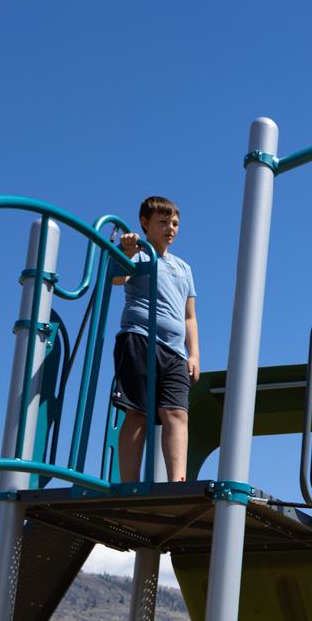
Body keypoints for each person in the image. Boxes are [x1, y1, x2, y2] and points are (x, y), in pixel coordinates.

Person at [110, 195, 199, 483]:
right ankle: (130, 482)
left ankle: (178, 480)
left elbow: (189, 316)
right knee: (137, 413)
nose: (170, 228)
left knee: (176, 413)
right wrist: (125, 249)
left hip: (175, 352)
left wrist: (194, 354)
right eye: (163, 222)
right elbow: (117, 279)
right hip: (139, 339)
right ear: (145, 224)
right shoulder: (137, 252)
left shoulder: (183, 267)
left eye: (174, 223)